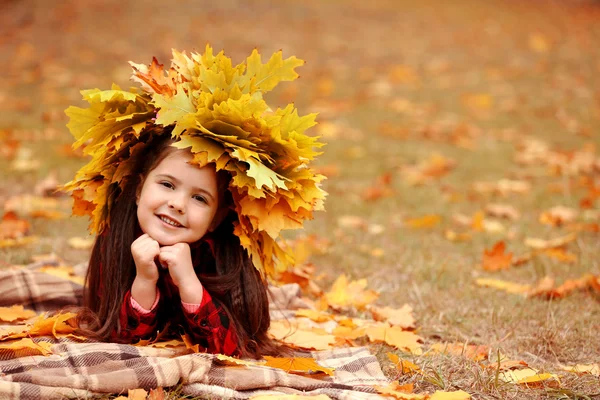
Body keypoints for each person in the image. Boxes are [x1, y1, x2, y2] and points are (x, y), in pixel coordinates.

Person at [63, 45, 326, 359]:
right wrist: (144, 281)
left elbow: (235, 349)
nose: (177, 204)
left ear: (217, 216)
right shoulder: (117, 237)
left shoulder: (227, 255)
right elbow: (117, 342)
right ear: (138, 188)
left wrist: (189, 283)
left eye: (200, 198)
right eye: (167, 184)